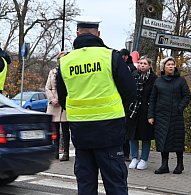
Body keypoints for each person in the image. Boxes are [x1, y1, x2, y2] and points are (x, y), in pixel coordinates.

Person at [56, 16, 137, 195]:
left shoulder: (65, 62)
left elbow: (63, 99)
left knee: (85, 185)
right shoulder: (111, 57)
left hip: (80, 133)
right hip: (110, 132)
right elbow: (131, 91)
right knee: (115, 185)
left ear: (77, 33)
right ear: (98, 34)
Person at [148, 56, 191, 174]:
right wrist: (150, 115)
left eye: (172, 64)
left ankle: (180, 164)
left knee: (178, 140)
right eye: (169, 65)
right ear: (163, 67)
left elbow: (187, 96)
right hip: (161, 116)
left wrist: (179, 107)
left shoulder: (180, 80)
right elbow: (153, 99)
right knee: (163, 140)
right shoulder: (158, 81)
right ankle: (164, 165)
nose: (171, 66)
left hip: (176, 116)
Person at [127, 56, 157, 170]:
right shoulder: (134, 76)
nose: (142, 65)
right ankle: (134, 157)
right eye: (140, 63)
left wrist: (151, 113)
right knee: (132, 135)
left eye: (144, 63)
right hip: (133, 109)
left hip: (146, 110)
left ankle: (144, 159)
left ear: (149, 65)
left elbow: (154, 96)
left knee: (145, 136)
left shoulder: (153, 78)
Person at [45, 51, 70, 161]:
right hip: (53, 103)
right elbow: (47, 87)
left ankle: (66, 152)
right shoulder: (52, 72)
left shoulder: (69, 71)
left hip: (64, 103)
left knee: (65, 130)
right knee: (54, 130)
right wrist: (52, 99)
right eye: (59, 59)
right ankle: (55, 151)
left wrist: (61, 99)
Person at [119, 48, 138, 162]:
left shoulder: (131, 69)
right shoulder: (120, 67)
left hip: (127, 103)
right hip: (119, 101)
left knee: (126, 129)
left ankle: (126, 153)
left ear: (126, 57)